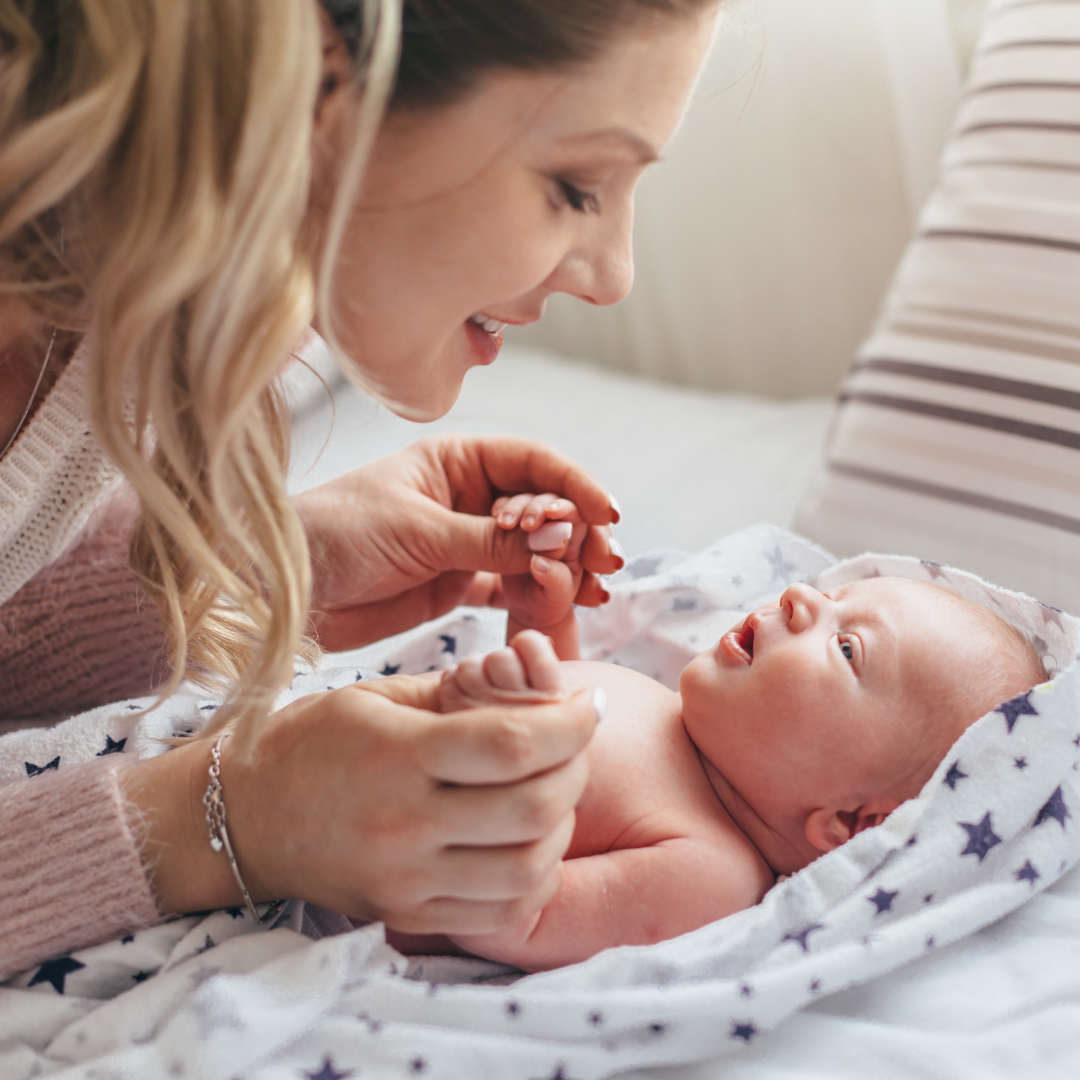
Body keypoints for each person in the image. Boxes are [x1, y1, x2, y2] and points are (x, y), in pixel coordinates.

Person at [0, 0, 721, 979]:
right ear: (321, 80)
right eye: (576, 185)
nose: (614, 276)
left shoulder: (111, 290)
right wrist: (225, 822)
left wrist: (261, 567)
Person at [381, 503, 1045, 970]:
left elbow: (521, 919)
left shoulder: (712, 872)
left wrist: (494, 770)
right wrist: (541, 626)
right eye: (834, 598)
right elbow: (571, 709)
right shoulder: (676, 719)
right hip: (350, 763)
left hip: (351, 854)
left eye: (846, 646)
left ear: (848, 822)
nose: (800, 600)